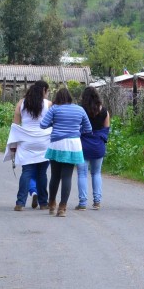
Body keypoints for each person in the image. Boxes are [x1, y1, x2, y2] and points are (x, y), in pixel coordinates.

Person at [40, 86, 92, 217]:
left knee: (55, 176)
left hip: (57, 144)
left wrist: (55, 124)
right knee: (67, 176)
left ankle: (52, 203)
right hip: (74, 144)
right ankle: (62, 208)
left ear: (57, 98)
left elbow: (43, 125)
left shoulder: (55, 109)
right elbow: (88, 128)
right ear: (70, 98)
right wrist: (77, 131)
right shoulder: (80, 109)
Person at [3, 80, 52, 211]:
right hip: (44, 142)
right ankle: (43, 203)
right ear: (43, 91)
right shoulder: (49, 104)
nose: (48, 94)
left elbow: (15, 126)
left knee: (27, 172)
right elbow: (54, 123)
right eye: (47, 91)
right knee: (42, 173)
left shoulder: (21, 103)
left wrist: (14, 145)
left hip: (26, 142)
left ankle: (20, 203)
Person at [76, 86, 111, 211]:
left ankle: (82, 202)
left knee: (82, 174)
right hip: (97, 145)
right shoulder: (104, 111)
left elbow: (77, 127)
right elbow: (106, 130)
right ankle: (97, 202)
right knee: (96, 173)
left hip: (83, 145)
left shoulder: (81, 110)